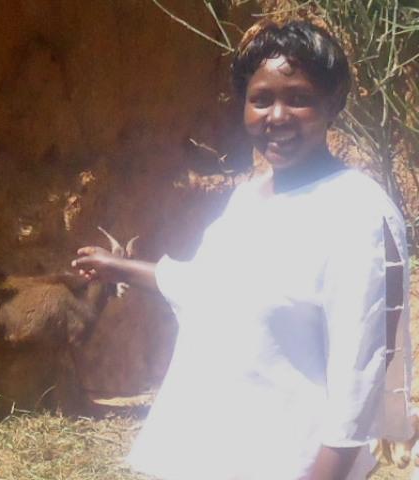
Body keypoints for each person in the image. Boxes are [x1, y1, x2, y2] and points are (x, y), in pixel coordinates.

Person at [71, 20, 412, 480]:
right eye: (261, 99)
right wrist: (118, 267)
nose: (277, 116)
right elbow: (207, 289)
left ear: (333, 103)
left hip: (289, 464)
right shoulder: (249, 199)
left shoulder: (356, 213)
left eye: (299, 98)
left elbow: (360, 376)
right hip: (211, 454)